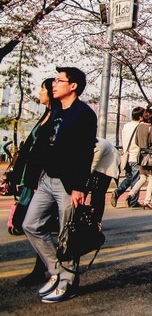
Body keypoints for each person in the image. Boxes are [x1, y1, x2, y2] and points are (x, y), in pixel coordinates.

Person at [23, 67, 97, 303]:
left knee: (67, 235)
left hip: (68, 184)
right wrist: (33, 179)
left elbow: (86, 152)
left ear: (73, 86)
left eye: (59, 80)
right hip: (46, 179)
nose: (54, 84)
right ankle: (57, 272)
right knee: (30, 224)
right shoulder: (56, 111)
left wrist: (79, 187)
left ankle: (68, 283)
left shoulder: (84, 114)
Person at [8, 79, 55, 286]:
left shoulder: (56, 117)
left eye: (43, 89)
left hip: (43, 179)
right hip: (32, 178)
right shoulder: (46, 115)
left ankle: (46, 267)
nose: (39, 92)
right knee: (28, 222)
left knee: (36, 222)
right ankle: (45, 266)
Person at [111, 106, 144, 209]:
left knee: (129, 178)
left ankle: (117, 192)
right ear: (140, 117)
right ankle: (132, 201)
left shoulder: (126, 126)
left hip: (126, 156)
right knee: (136, 179)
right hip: (135, 156)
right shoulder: (141, 126)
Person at [126, 108, 152, 210]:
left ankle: (131, 194)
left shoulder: (139, 127)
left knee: (143, 178)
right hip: (150, 157)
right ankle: (147, 201)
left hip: (141, 156)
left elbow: (136, 141)